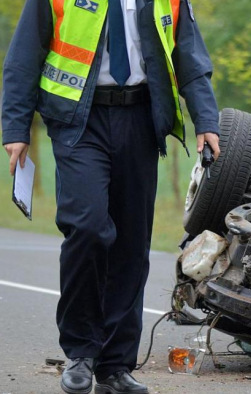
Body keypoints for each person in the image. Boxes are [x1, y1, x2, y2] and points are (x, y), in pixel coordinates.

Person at [2, 0, 221, 392]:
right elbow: (23, 57)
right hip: (77, 122)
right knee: (87, 227)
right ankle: (81, 352)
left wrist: (205, 120)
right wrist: (15, 127)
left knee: (131, 245)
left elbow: (188, 55)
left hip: (140, 120)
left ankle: (116, 367)